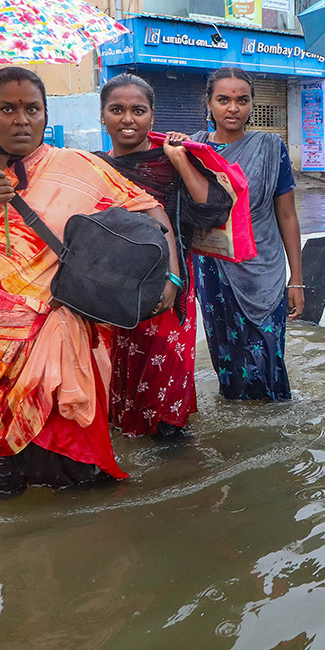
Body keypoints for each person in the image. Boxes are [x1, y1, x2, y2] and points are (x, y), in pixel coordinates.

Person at [0, 67, 180, 495]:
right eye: (7, 109)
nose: (21, 119)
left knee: (80, 473)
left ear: (45, 115)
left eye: (32, 109)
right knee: (6, 480)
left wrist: (169, 275)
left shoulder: (77, 166)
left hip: (71, 327)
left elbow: (150, 210)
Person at [96, 74, 233, 438]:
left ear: (152, 117)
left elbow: (214, 209)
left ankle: (178, 467)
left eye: (138, 110)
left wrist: (181, 160)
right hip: (113, 293)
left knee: (166, 385)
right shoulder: (93, 168)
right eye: (117, 110)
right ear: (102, 116)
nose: (128, 119)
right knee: (123, 383)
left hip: (169, 286)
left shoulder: (170, 160)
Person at [190, 67, 304, 401]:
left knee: (265, 361)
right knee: (227, 363)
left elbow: (287, 215)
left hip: (261, 270)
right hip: (213, 271)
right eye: (223, 100)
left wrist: (295, 279)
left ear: (252, 104)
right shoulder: (191, 149)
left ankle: (274, 429)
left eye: (242, 100)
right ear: (209, 103)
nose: (233, 108)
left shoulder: (271, 148)